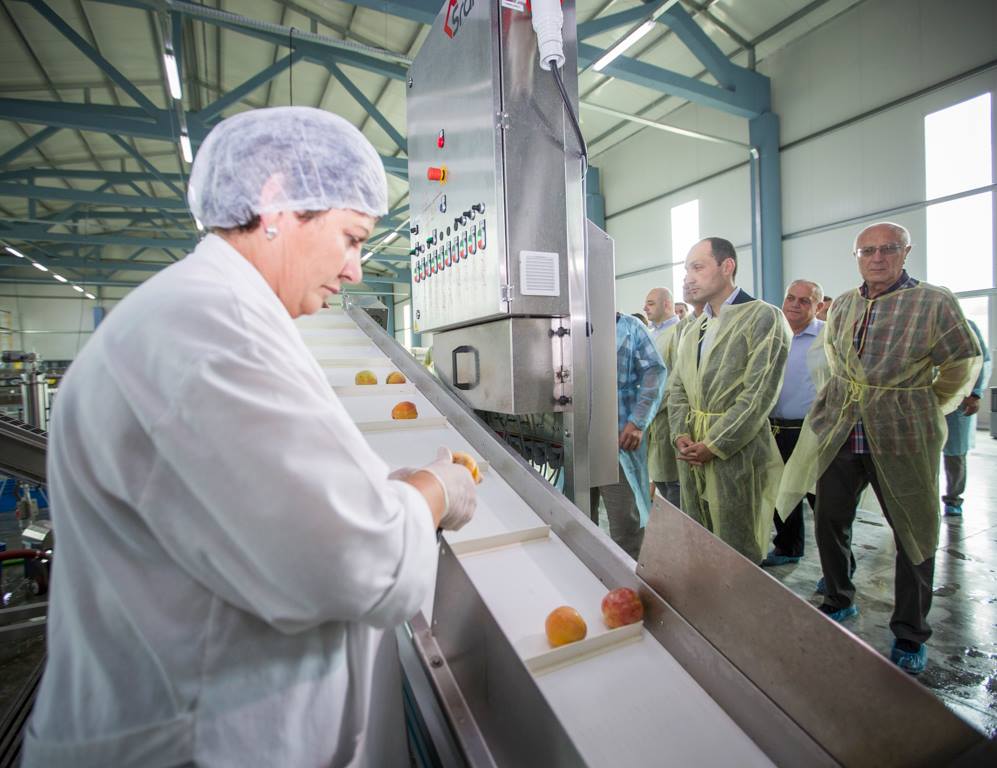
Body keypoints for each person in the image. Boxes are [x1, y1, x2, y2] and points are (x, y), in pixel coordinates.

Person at [22, 108, 478, 768]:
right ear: (275, 202)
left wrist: (381, 493)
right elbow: (352, 564)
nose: (356, 269)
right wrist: (436, 490)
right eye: (351, 238)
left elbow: (272, 496)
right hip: (190, 743)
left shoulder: (220, 315)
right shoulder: (208, 331)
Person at [778, 222, 980, 675]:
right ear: (857, 257)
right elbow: (834, 360)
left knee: (913, 528)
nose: (877, 258)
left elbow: (961, 361)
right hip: (844, 432)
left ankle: (910, 630)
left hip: (902, 435)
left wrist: (923, 402)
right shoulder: (846, 304)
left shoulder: (933, 302)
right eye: (867, 251)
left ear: (906, 252)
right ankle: (838, 597)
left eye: (888, 249)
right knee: (829, 519)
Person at [667, 238, 790, 564]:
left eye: (698, 267)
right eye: (686, 270)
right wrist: (680, 434)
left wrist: (714, 444)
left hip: (737, 454)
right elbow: (677, 387)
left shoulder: (763, 317)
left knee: (737, 549)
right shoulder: (694, 327)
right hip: (691, 449)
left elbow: (758, 394)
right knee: (699, 540)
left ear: (727, 267)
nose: (688, 278)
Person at [762, 280, 827, 567]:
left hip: (812, 431)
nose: (795, 305)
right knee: (779, 490)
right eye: (790, 298)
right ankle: (788, 547)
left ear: (819, 306)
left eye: (804, 301)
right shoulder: (774, 334)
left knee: (821, 501)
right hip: (774, 427)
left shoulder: (827, 337)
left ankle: (836, 569)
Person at [594, 312, 666, 559]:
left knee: (625, 518)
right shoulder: (567, 324)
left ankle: (629, 573)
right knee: (577, 514)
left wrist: (637, 421)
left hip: (619, 435)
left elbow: (654, 372)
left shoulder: (631, 327)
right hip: (576, 435)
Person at [942, 318, 991, 516]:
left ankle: (953, 499)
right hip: (928, 397)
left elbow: (981, 361)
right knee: (922, 453)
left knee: (955, 452)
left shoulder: (965, 326)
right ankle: (924, 498)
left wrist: (975, 394)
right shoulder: (920, 323)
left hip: (959, 397)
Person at [643, 288, 682, 507]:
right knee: (657, 475)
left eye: (650, 303)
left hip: (667, 417)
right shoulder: (652, 333)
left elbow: (677, 379)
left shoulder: (677, 332)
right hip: (650, 418)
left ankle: (679, 524)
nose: (645, 308)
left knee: (672, 481)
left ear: (667, 304)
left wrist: (651, 407)